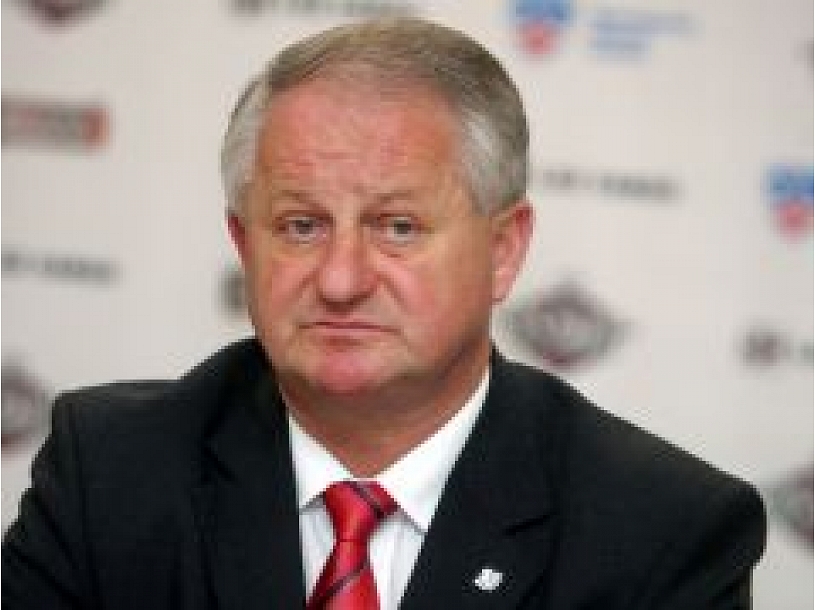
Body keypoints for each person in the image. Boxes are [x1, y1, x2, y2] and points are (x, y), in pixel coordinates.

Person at [3, 17, 766, 610]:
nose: (340, 280)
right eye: (301, 225)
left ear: (503, 250)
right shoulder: (110, 476)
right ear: (243, 243)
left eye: (397, 227)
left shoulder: (662, 531)